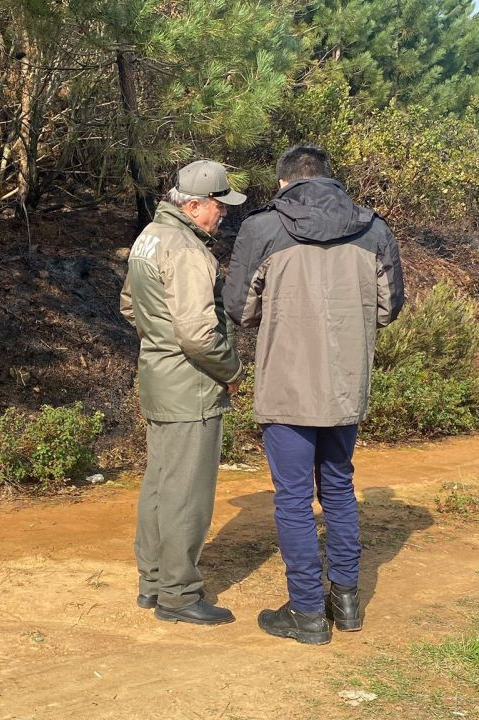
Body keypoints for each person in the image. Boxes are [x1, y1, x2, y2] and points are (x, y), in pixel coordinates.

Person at [223, 145, 404, 644]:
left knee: (294, 500)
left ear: (284, 183)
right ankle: (345, 603)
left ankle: (306, 613)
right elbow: (389, 309)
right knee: (340, 488)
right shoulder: (373, 228)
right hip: (346, 384)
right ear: (330, 180)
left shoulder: (263, 228)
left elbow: (238, 307)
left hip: (286, 382)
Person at [119, 160, 246, 624]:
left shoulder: (148, 237)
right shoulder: (188, 249)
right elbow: (197, 334)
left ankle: (153, 583)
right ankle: (179, 595)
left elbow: (129, 306)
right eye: (219, 206)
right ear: (194, 205)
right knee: (187, 493)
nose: (223, 215)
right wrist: (231, 370)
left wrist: (159, 341)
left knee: (159, 485)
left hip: (158, 379)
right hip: (190, 387)